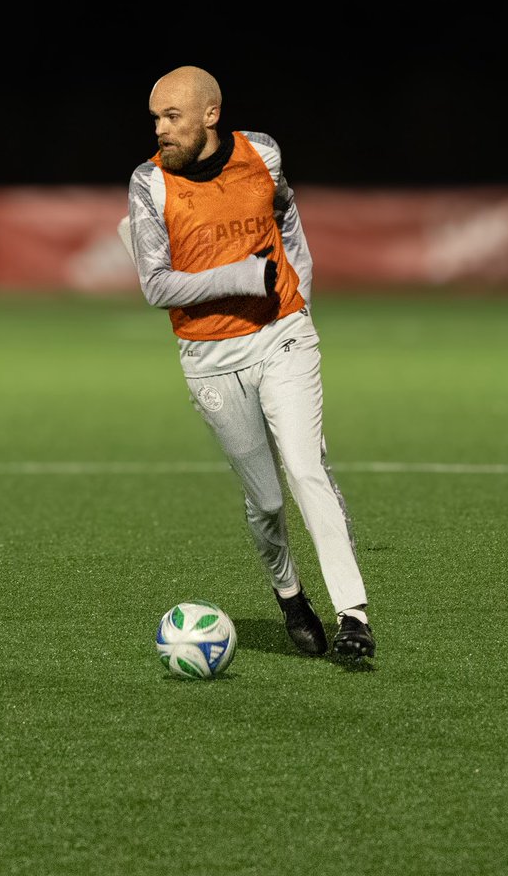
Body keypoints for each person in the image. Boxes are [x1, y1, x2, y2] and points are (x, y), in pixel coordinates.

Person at [117, 65, 376, 661]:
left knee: (307, 468)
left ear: (211, 115)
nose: (161, 130)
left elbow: (284, 211)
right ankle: (289, 594)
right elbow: (156, 286)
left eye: (172, 117)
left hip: (281, 336)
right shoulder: (148, 184)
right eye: (156, 118)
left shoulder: (262, 152)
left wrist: (297, 285)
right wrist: (246, 275)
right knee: (266, 501)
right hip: (208, 356)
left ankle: (353, 615)